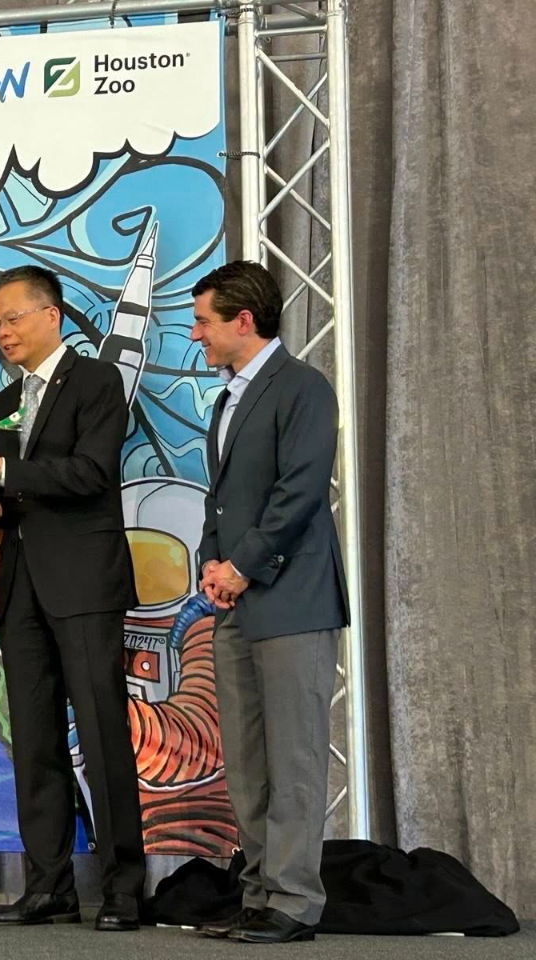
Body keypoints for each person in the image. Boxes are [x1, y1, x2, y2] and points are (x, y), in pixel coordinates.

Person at [0, 265, 143, 931]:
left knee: (102, 733)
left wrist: (3, 470)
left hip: (85, 583)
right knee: (33, 740)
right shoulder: (7, 398)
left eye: (13, 318)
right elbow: (15, 501)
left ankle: (124, 889)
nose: (2, 332)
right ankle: (48, 886)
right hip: (22, 587)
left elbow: (90, 473)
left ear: (51, 315)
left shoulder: (97, 380)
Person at [188, 261, 349, 944]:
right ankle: (257, 892)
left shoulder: (303, 387)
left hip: (292, 601)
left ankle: (293, 901)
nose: (196, 334)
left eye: (203, 321)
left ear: (244, 320)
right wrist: (211, 563)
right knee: (248, 762)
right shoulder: (227, 399)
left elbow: (299, 491)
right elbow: (222, 501)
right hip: (236, 604)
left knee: (294, 759)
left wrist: (241, 568)